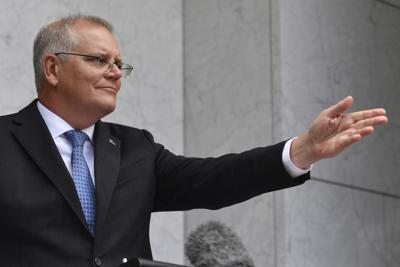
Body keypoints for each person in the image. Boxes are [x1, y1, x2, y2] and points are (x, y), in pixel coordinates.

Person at [0, 15, 388, 267]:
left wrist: (300, 151)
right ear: (52, 67)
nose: (116, 73)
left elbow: (213, 179)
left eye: (120, 64)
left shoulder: (135, 149)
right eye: (100, 61)